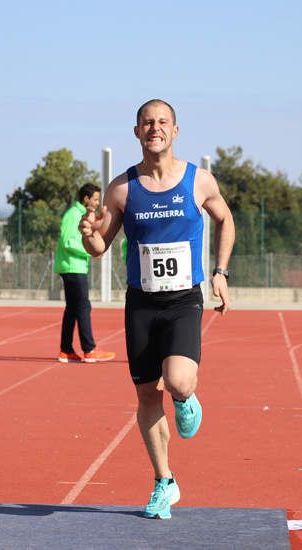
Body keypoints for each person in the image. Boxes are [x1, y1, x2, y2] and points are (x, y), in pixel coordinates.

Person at [80, 99, 234, 519]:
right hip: (141, 303)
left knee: (178, 381)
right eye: (147, 123)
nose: (155, 128)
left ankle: (187, 398)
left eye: (163, 122)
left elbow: (226, 220)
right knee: (147, 395)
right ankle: (164, 481)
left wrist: (220, 271)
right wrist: (87, 234)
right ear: (137, 132)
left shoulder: (198, 181)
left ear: (176, 130)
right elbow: (98, 248)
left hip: (184, 299)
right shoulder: (122, 188)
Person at [54, 183, 116, 364]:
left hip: (75, 267)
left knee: (72, 310)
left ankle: (66, 350)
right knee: (83, 307)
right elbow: (67, 241)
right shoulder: (74, 215)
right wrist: (88, 251)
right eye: (95, 199)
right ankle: (89, 349)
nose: (97, 202)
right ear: (86, 198)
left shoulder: (81, 215)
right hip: (73, 267)